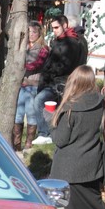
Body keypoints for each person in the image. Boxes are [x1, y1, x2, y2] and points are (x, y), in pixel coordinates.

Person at [50, 66, 105, 209]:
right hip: (92, 164)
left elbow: (60, 140)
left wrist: (50, 120)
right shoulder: (99, 102)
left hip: (70, 169)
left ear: (73, 82)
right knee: (95, 206)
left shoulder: (70, 108)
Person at [34, 15, 83, 144]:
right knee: (48, 107)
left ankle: (45, 133)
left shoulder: (70, 42)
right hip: (53, 82)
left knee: (39, 101)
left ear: (64, 26)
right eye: (53, 28)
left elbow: (63, 65)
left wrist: (49, 74)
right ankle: (48, 133)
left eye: (56, 27)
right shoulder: (61, 41)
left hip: (59, 83)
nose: (54, 30)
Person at [15, 21, 49, 151]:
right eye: (29, 31)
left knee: (30, 113)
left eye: (34, 32)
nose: (31, 34)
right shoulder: (23, 46)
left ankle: (29, 144)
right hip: (21, 85)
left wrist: (19, 65)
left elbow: (36, 64)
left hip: (33, 85)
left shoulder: (43, 48)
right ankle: (16, 144)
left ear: (40, 33)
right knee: (18, 114)